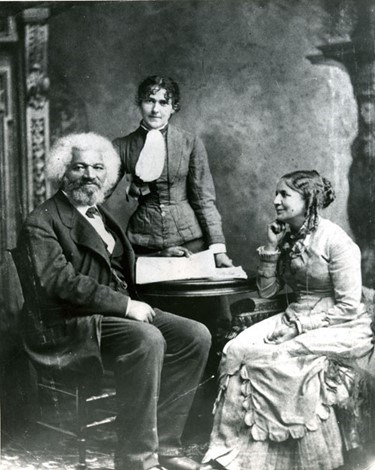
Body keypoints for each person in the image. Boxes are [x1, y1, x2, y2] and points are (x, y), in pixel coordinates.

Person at [15, 132, 211, 470]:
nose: (89, 175)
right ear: (63, 172)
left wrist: (162, 255)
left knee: (195, 335)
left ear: (106, 174)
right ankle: (137, 459)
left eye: (97, 167)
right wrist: (124, 306)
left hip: (107, 314)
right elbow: (59, 283)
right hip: (67, 323)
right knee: (146, 337)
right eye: (79, 167)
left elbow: (114, 262)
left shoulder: (100, 214)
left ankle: (166, 445)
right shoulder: (41, 221)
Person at [201, 170, 373, 470]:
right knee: (235, 350)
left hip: (337, 323)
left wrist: (298, 328)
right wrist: (271, 247)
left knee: (280, 358)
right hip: (294, 313)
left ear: (309, 200)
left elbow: (348, 305)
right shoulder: (286, 235)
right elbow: (267, 290)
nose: (276, 200)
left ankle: (280, 459)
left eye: (285, 195)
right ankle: (229, 450)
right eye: (276, 193)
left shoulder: (337, 241)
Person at [112, 75, 232, 267]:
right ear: (140, 103)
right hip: (144, 244)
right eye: (149, 101)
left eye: (163, 103)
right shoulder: (122, 146)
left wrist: (218, 250)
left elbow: (204, 200)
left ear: (173, 107)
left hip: (191, 242)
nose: (155, 109)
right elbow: (97, 195)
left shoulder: (190, 143)